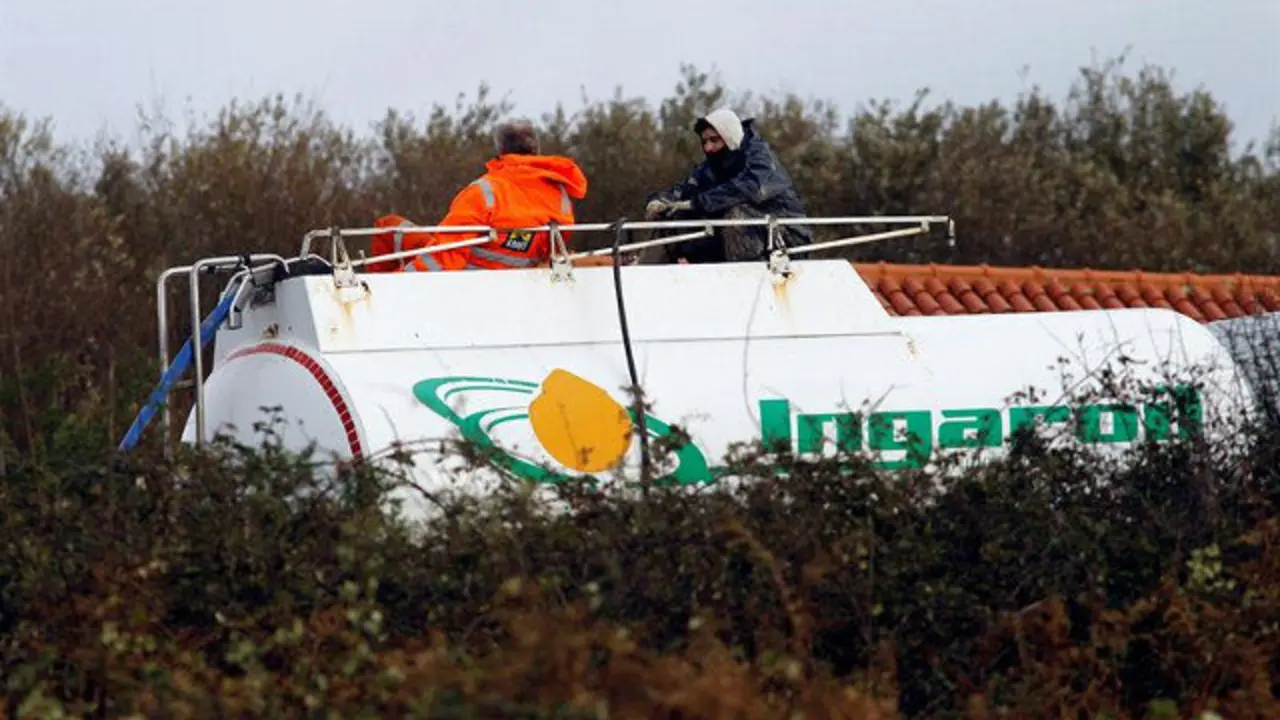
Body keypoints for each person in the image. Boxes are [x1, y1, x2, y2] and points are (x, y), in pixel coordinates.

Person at [371, 119, 589, 272]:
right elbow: (550, 251)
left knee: (388, 226)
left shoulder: (485, 191)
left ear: (501, 150)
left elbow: (445, 257)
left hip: (471, 278)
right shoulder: (560, 197)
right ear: (536, 150)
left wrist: (394, 285)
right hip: (519, 279)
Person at [639, 108, 812, 264]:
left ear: (730, 137)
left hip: (785, 237)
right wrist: (661, 201)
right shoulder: (711, 168)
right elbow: (684, 189)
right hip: (733, 238)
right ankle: (642, 278)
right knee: (672, 218)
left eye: (714, 140)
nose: (708, 147)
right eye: (704, 142)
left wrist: (697, 203)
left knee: (735, 214)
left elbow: (745, 189)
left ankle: (742, 280)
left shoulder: (760, 159)